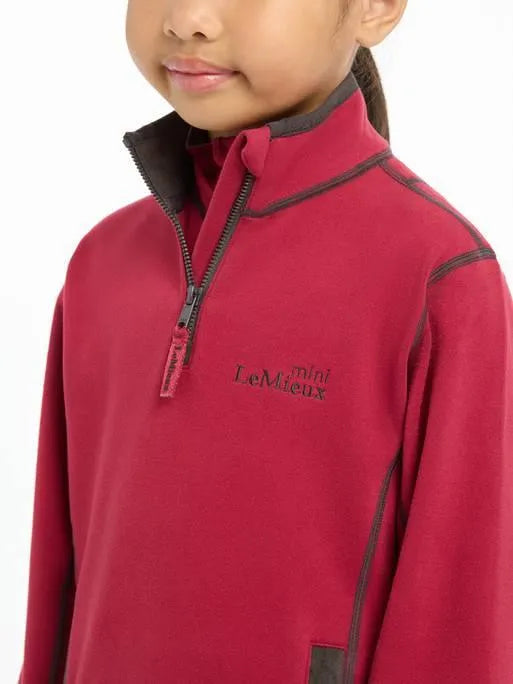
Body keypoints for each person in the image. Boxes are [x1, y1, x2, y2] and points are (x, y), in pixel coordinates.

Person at [17, 0, 513, 682]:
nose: (188, 18)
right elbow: (58, 590)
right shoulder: (103, 263)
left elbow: (458, 618)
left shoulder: (436, 276)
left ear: (374, 8)